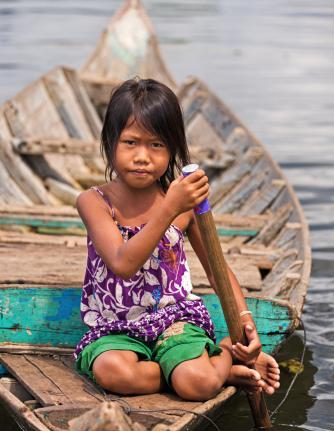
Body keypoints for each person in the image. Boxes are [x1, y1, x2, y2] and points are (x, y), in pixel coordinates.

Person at [74, 78, 280, 401]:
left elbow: (216, 269)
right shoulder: (95, 201)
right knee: (112, 372)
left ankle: (224, 355)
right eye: (130, 142)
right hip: (116, 328)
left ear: (172, 149)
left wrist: (244, 323)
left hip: (174, 320)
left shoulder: (186, 206)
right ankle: (218, 370)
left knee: (198, 385)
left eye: (156, 145)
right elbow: (123, 263)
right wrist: (170, 206)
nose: (142, 156)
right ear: (110, 143)